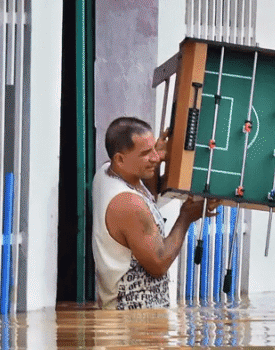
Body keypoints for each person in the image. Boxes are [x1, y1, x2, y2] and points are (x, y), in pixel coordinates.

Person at [93, 117, 217, 310]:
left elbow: (149, 196)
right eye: (146, 153)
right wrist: (186, 217)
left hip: (135, 314)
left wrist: (155, 160)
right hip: (133, 317)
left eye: (154, 149)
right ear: (120, 159)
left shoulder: (106, 173)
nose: (156, 157)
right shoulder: (128, 204)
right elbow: (159, 265)